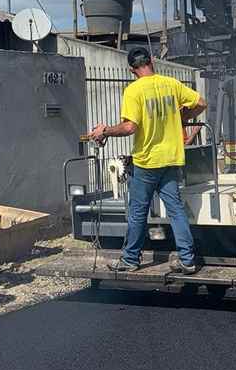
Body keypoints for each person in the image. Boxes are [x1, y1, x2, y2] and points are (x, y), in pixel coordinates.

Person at [88, 49, 207, 274]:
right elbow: (201, 102)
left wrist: (105, 131)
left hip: (146, 162)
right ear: (152, 61)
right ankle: (187, 260)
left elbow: (129, 127)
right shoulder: (171, 84)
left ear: (131, 70)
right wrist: (183, 117)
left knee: (138, 213)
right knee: (176, 210)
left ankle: (130, 259)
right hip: (171, 159)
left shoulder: (134, 90)